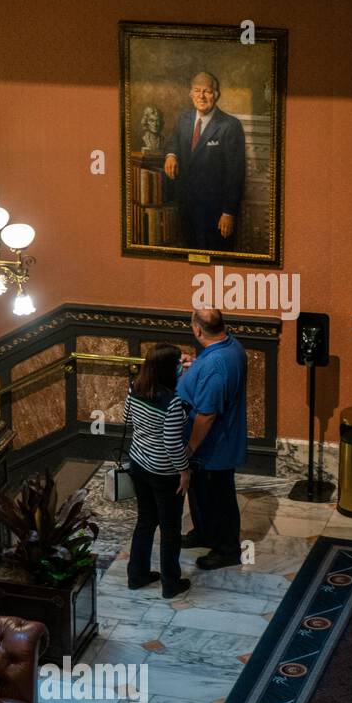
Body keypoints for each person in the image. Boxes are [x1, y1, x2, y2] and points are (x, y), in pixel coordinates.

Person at [177, 306, 248, 570]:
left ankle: (227, 549)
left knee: (218, 498)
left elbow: (206, 414)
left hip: (213, 447)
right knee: (200, 494)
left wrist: (190, 447)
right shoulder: (231, 346)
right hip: (213, 445)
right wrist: (194, 369)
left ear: (197, 330)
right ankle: (204, 532)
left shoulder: (216, 365)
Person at [124, 344, 192, 599]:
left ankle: (137, 575)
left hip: (138, 464)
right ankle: (171, 584)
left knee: (145, 521)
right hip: (164, 473)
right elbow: (172, 444)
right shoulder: (172, 404)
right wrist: (184, 471)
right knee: (170, 529)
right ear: (168, 369)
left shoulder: (134, 388)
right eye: (177, 364)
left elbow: (127, 418)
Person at [162, 71, 245, 252]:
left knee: (215, 260)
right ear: (191, 94)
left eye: (206, 91)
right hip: (186, 207)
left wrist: (228, 212)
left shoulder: (230, 126)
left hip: (216, 213)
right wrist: (171, 155)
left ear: (216, 94)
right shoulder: (184, 118)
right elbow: (173, 141)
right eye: (197, 91)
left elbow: (235, 174)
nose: (201, 96)